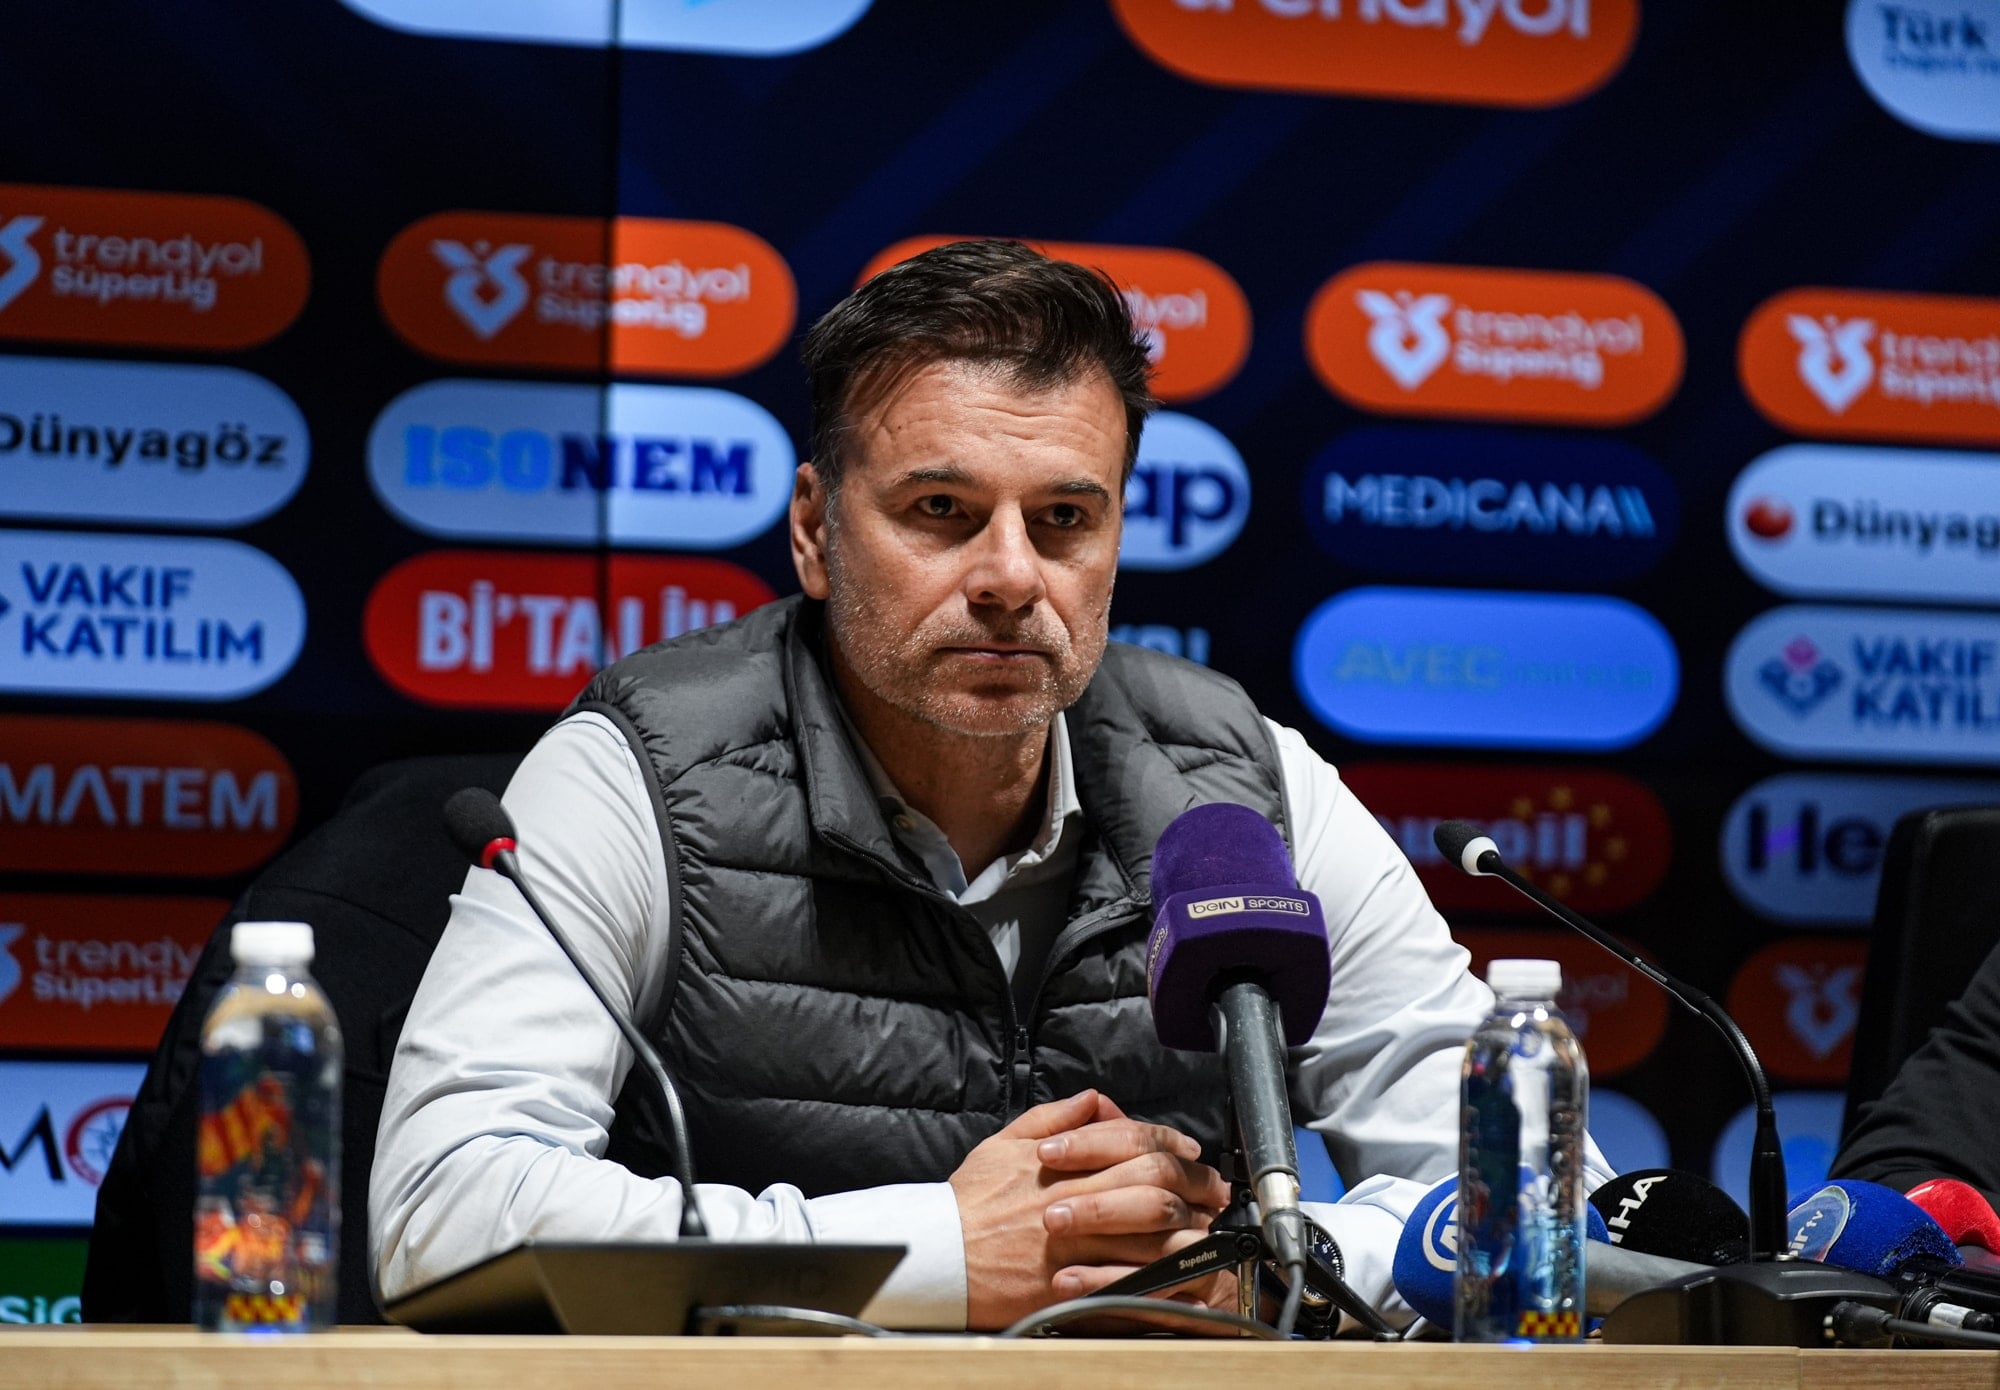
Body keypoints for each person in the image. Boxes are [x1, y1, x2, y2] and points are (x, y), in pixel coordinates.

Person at [369, 239, 1612, 1331]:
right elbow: (440, 1206)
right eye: (941, 508)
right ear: (813, 529)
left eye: (1064, 517)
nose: (1011, 576)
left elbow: (1548, 1202)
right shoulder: (639, 772)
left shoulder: (1241, 783)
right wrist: (946, 1253)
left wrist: (1256, 1259)